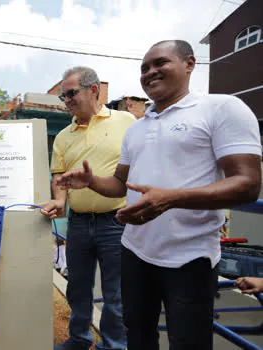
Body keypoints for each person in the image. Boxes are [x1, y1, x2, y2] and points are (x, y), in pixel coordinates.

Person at [57, 40, 262, 349]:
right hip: (134, 252)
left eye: (160, 63)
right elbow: (118, 185)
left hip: (190, 257)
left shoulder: (222, 108)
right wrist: (91, 181)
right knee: (138, 338)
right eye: (144, 68)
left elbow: (247, 184)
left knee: (187, 341)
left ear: (190, 64)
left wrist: (171, 198)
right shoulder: (138, 128)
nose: (150, 72)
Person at [39, 66, 135, 350]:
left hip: (116, 221)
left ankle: (113, 345)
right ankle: (79, 341)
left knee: (115, 293)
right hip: (79, 222)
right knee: (77, 288)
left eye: (71, 93)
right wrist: (59, 201)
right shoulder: (63, 136)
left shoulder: (127, 121)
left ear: (94, 90)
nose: (66, 100)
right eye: (62, 96)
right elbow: (59, 177)